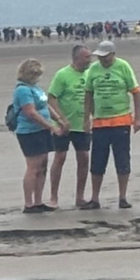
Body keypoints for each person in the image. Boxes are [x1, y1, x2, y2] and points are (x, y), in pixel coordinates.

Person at [81, 41, 140, 210]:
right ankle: (95, 198)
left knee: (122, 160)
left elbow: (136, 92)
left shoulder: (123, 67)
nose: (102, 60)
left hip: (121, 121)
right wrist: (86, 118)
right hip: (100, 122)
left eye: (105, 57)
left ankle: (122, 197)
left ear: (113, 54)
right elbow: (88, 94)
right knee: (98, 161)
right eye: (100, 57)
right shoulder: (93, 70)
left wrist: (138, 118)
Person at [12, 59, 67, 214]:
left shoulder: (35, 88)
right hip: (29, 132)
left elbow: (45, 105)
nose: (37, 77)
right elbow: (31, 113)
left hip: (42, 131)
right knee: (33, 167)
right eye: (35, 74)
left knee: (42, 165)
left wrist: (58, 119)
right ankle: (29, 203)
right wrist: (52, 127)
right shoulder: (22, 90)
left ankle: (38, 200)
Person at [46, 45, 92, 209]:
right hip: (64, 125)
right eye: (87, 57)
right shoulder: (62, 75)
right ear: (77, 58)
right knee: (60, 157)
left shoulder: (90, 74)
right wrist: (61, 119)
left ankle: (80, 197)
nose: (90, 60)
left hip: (82, 124)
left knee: (84, 158)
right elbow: (51, 98)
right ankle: (53, 197)